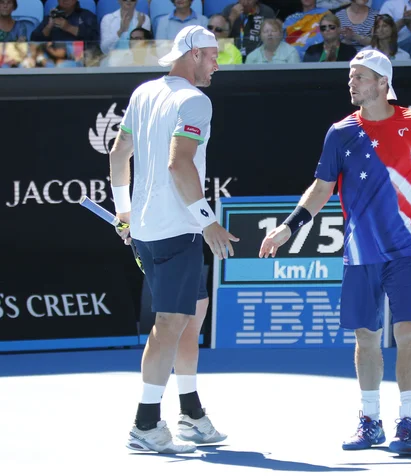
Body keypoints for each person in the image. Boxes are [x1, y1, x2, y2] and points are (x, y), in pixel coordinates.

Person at [258, 49, 411, 455]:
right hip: (360, 254)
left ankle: (409, 421)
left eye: (359, 76)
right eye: (351, 76)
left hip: (406, 251)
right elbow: (322, 188)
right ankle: (370, 420)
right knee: (366, 337)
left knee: (407, 333)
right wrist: (288, 228)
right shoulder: (340, 132)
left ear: (382, 83)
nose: (352, 82)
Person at [109, 24, 239, 454]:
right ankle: (145, 425)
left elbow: (118, 154)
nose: (218, 64)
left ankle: (191, 413)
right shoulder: (194, 101)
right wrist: (208, 221)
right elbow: (178, 165)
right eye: (213, 55)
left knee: (191, 318)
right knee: (168, 326)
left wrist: (124, 211)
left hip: (149, 231)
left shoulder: (144, 93)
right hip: (175, 232)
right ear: (193, 55)